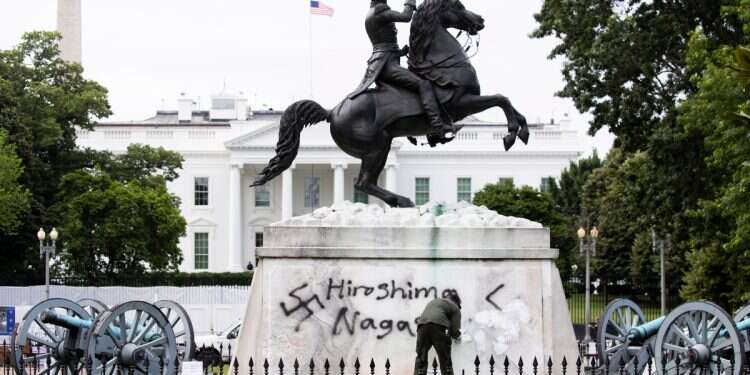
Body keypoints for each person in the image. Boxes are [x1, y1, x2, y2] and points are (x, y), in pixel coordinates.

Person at [349, 0, 455, 139]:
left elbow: (383, 44)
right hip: (387, 66)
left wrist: (399, 52)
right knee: (423, 84)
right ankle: (437, 126)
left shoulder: (372, 13)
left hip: (383, 62)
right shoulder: (380, 12)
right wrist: (410, 2)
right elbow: (406, 17)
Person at [414, 292, 462, 375]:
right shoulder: (455, 307)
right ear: (456, 302)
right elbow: (455, 329)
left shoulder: (434, 301)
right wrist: (458, 336)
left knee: (421, 358)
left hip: (422, 327)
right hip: (439, 328)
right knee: (445, 359)